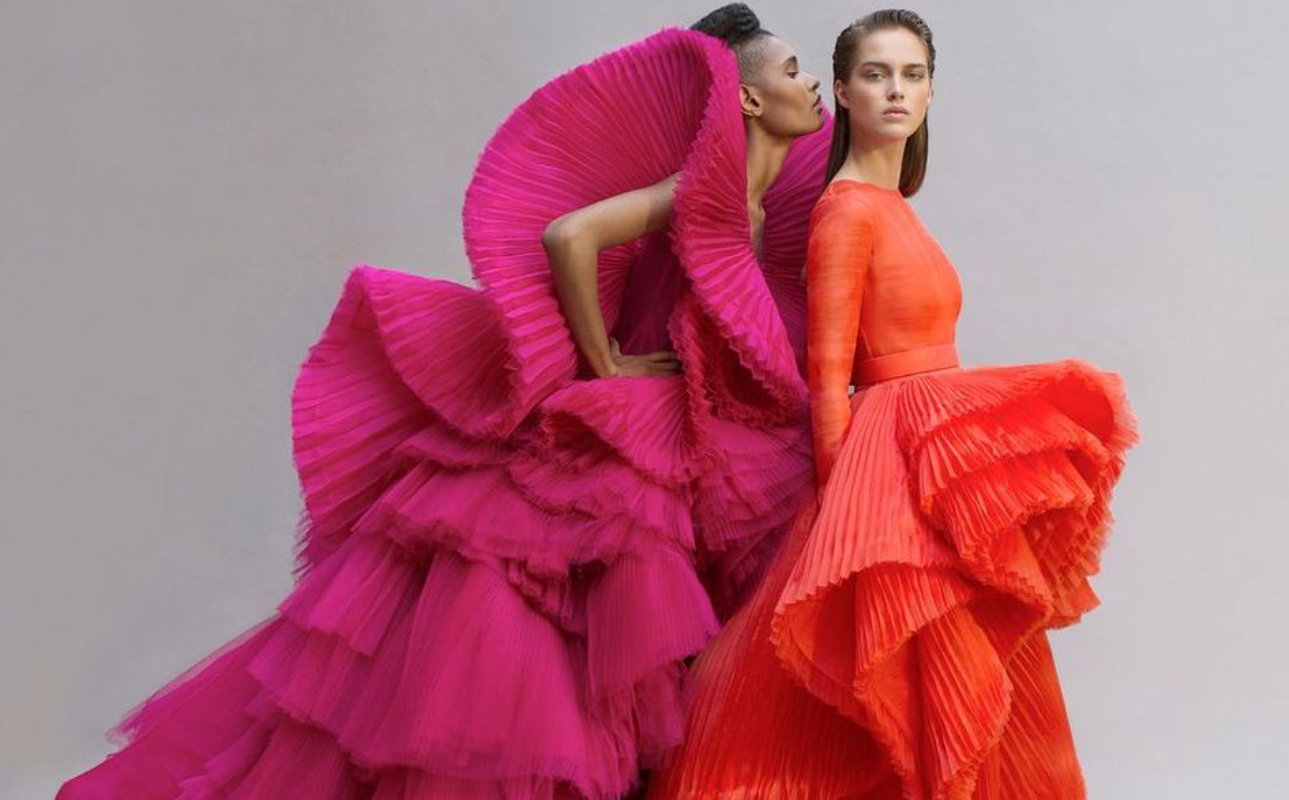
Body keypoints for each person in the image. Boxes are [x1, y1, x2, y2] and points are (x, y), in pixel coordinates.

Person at [56, 5, 837, 800]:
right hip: (629, 432)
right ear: (744, 100)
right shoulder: (693, 188)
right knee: (575, 632)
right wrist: (605, 360)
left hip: (684, 432)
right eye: (791, 71)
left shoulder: (756, 210)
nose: (809, 85)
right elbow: (569, 235)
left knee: (655, 625)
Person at [646, 10, 1141, 800]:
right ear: (840, 92)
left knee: (955, 668)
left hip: (930, 456)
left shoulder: (892, 205)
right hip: (886, 464)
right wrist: (848, 508)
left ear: (932, 92)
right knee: (899, 677)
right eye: (874, 74)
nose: (894, 91)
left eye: (911, 75)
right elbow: (827, 372)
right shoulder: (845, 211)